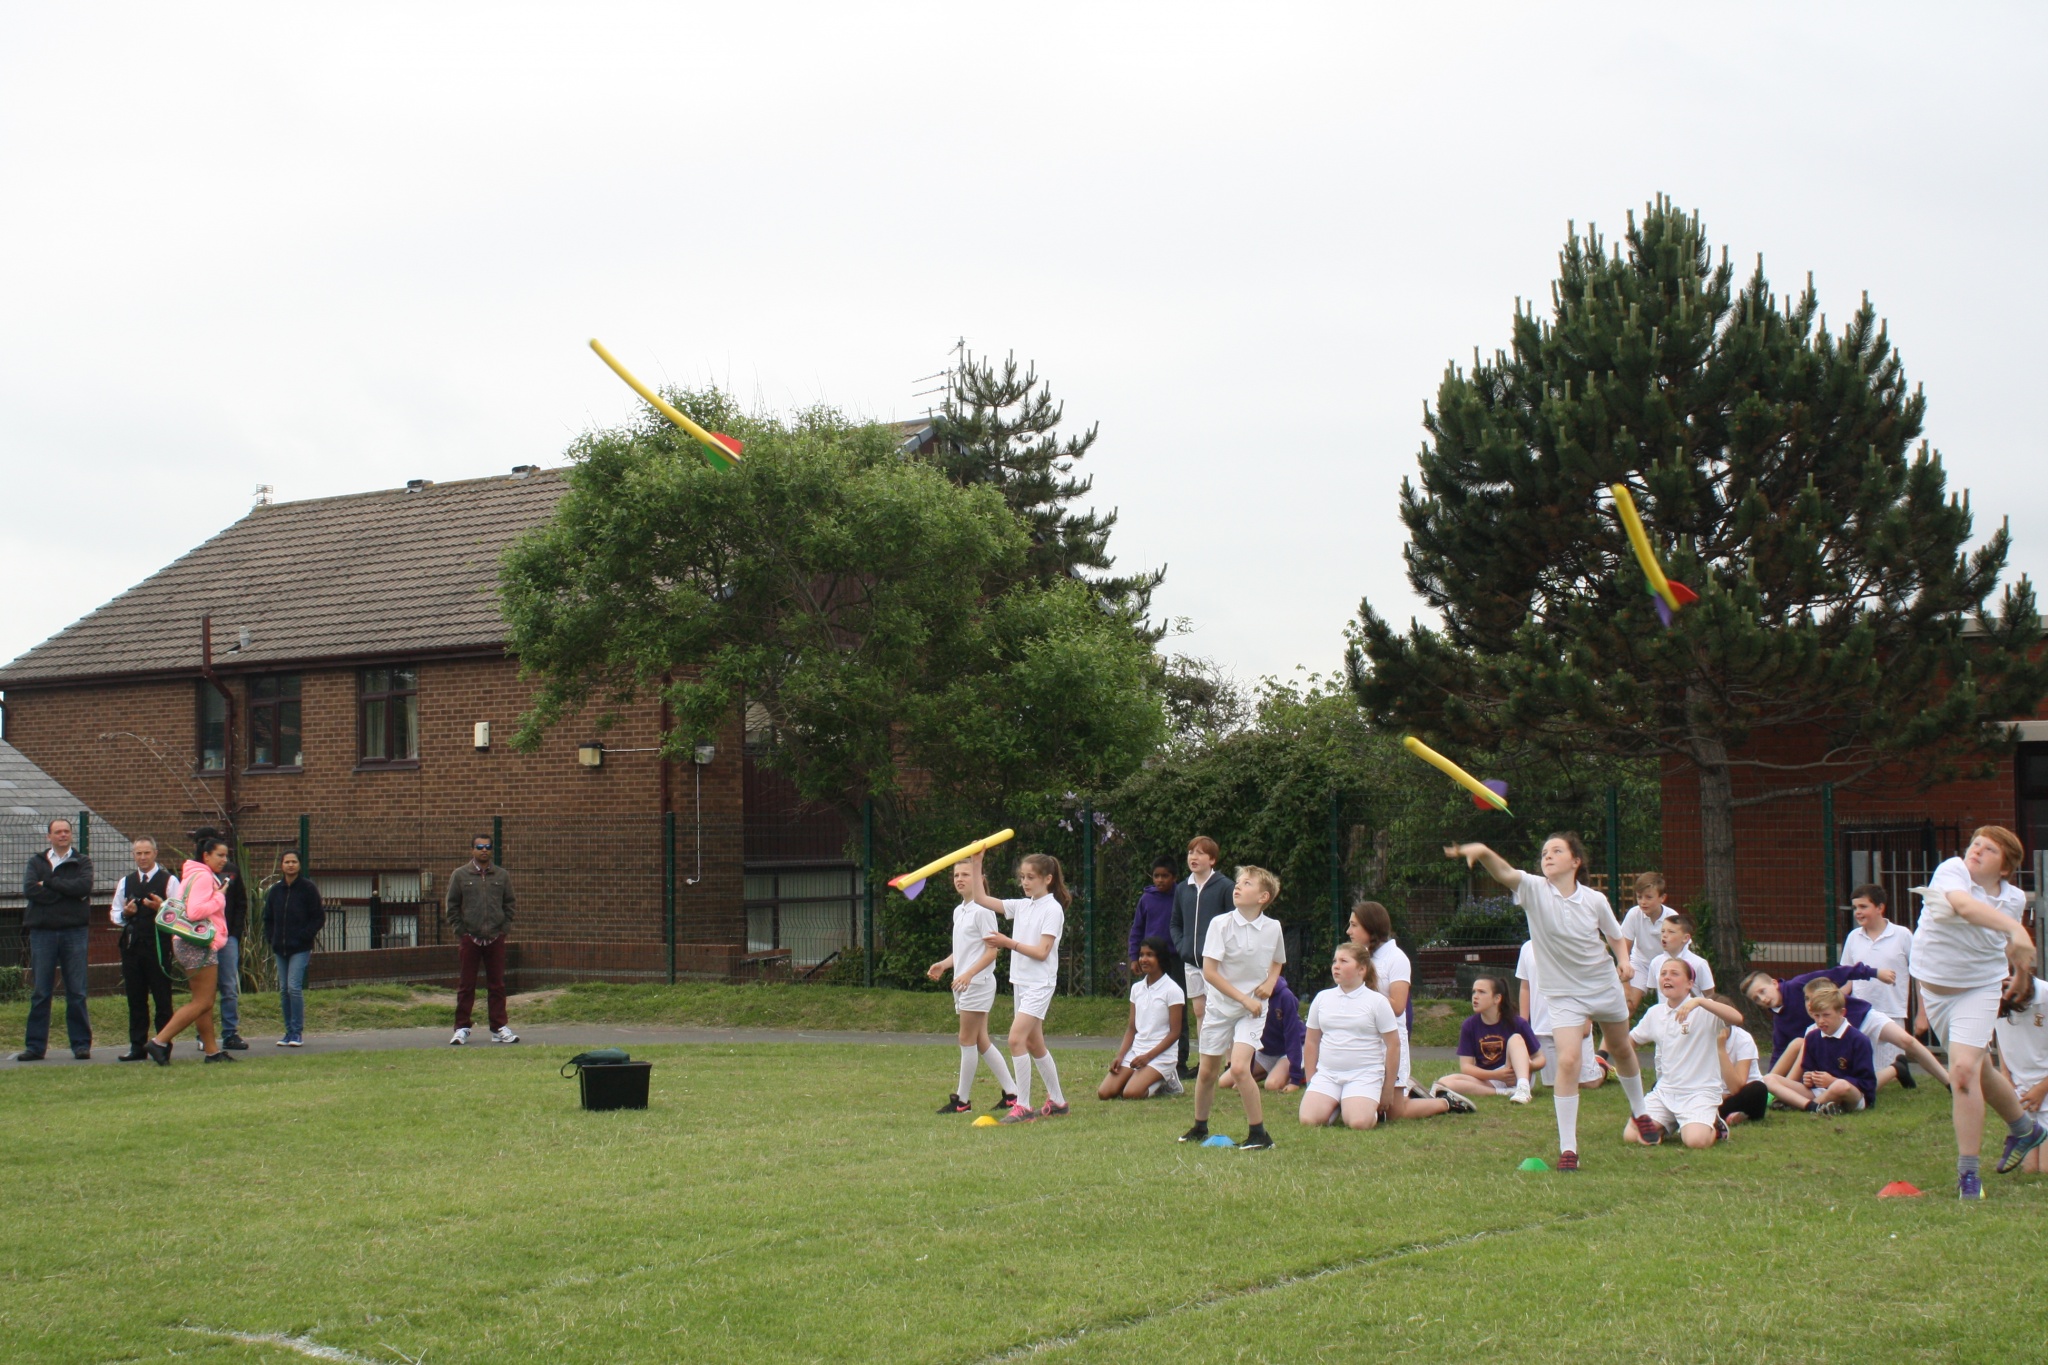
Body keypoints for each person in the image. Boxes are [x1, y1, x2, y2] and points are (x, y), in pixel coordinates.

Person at [1446, 835, 1658, 1171]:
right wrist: (1484, 851)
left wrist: (1623, 961)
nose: (1548, 856)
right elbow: (1504, 873)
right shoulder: (1533, 889)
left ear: (1576, 862)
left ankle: (1640, 1111)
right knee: (1569, 1061)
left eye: (1557, 851)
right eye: (1544, 852)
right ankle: (1568, 1149)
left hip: (1602, 984)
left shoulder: (1594, 899)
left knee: (1620, 1047)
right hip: (1563, 993)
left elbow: (1615, 936)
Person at [1909, 826, 2047, 1197]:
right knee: (1980, 1068)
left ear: (2005, 868)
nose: (1977, 851)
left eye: (1989, 850)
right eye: (1976, 845)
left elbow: (2007, 945)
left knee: (1964, 1072)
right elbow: (1965, 907)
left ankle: (1968, 1175)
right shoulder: (1951, 870)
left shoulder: (2013, 898)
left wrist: (2020, 971)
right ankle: (2025, 1129)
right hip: (1936, 990)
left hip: (1979, 988)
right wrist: (2017, 930)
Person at [1179, 865, 1287, 1150]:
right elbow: (1210, 973)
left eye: (1247, 883)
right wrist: (1244, 998)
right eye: (1238, 882)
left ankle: (1259, 1135)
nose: (1238, 886)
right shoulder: (1220, 924)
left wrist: (1270, 982)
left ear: (1263, 897)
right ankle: (1200, 1127)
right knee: (1207, 1072)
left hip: (1252, 1011)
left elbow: (1277, 960)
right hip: (1220, 1007)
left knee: (1240, 1068)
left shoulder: (1273, 928)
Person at [1740, 962, 1948, 1091]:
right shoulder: (1780, 1021)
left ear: (1774, 983)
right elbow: (1780, 1053)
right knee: (1852, 1084)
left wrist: (1875, 972)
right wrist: (1773, 1082)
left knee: (1906, 1040)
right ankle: (1896, 1069)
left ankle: (1948, 1082)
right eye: (1756, 999)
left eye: (1762, 991)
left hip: (1859, 1017)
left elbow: (1839, 973)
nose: (1762, 998)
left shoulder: (1799, 984)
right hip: (1837, 1041)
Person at [974, 849, 1070, 1123]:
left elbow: (1042, 952)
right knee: (1033, 1042)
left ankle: (1024, 1106)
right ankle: (1059, 1102)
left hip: (1040, 984)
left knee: (1016, 1039)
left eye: (1031, 878)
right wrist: (977, 860)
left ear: (1048, 879)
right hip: (1022, 982)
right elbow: (981, 898)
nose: (1025, 882)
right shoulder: (1022, 905)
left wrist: (1008, 943)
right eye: (1022, 878)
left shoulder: (1052, 910)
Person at [1623, 958, 1745, 1148]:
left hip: (1699, 1093)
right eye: (1663, 973)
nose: (1667, 978)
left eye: (1674, 973)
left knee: (1695, 1142)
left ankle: (1714, 1123)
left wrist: (1700, 1001)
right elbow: (1630, 1042)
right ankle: (1668, 1124)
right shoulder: (1655, 1013)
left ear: (1690, 984)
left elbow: (1737, 1018)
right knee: (1631, 1136)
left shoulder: (1704, 1010)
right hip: (1665, 1091)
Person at [929, 860, 1017, 1113]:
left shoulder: (983, 910)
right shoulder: (960, 911)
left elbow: (992, 952)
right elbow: (963, 951)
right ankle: (1012, 1093)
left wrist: (968, 974)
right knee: (980, 1041)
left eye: (966, 874)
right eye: (956, 874)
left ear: (978, 878)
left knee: (966, 1039)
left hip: (977, 984)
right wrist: (944, 965)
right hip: (964, 983)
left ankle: (962, 1101)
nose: (960, 878)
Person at [145, 835, 234, 1065]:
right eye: (220, 855)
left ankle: (212, 1052)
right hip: (198, 942)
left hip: (184, 940)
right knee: (203, 1002)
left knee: (201, 1000)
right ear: (206, 855)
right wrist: (220, 897)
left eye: (226, 855)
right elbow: (195, 912)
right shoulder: (204, 877)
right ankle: (159, 1041)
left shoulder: (192, 874)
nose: (224, 860)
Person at [1298, 943, 1403, 1129]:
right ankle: (1336, 1102)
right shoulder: (1322, 998)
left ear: (1361, 969)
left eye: (1343, 961)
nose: (1335, 966)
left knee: (1358, 1123)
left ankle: (1353, 1105)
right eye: (1334, 961)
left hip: (1364, 1075)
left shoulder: (1377, 1002)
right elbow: (1311, 1041)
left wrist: (1387, 1089)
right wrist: (1311, 1079)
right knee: (1308, 1120)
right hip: (1328, 1074)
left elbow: (1393, 1045)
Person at [19, 816, 96, 1061]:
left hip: (74, 932)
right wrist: (65, 894)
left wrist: (50, 883)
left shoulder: (82, 861)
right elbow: (31, 890)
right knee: (41, 991)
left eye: (66, 831)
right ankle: (35, 1047)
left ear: (71, 835)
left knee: (77, 990)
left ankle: (81, 1045)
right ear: (49, 836)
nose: (63, 835)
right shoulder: (36, 862)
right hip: (43, 933)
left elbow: (83, 888)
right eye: (57, 832)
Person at [1761, 981, 1875, 1117]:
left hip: (1850, 1094)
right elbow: (1808, 1069)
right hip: (1818, 1091)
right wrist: (1809, 1078)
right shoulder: (1812, 1037)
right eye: (1816, 1016)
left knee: (1840, 1086)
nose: (1821, 1021)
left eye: (1826, 1015)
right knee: (1769, 1079)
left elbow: (1867, 1083)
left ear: (1841, 1013)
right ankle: (1814, 1107)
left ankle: (1801, 1105)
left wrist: (1832, 1081)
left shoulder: (1858, 1040)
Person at [445, 834, 518, 1045]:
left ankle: (499, 1028)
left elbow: (509, 904)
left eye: (487, 847)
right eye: (479, 847)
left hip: (495, 938)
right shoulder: (460, 875)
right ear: (472, 850)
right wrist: (462, 933)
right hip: (471, 939)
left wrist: (503, 930)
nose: (483, 850)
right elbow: (452, 906)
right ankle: (462, 1028)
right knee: (466, 985)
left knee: (497, 985)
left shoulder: (501, 876)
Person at [111, 837, 179, 1062]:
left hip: (158, 947)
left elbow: (179, 912)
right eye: (138, 854)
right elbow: (115, 913)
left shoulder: (169, 881)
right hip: (132, 948)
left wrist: (161, 908)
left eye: (146, 853)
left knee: (162, 998)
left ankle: (163, 1045)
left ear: (155, 853)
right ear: (133, 855)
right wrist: (126, 914)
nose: (142, 857)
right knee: (136, 999)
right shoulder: (126, 882)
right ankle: (137, 1046)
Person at [1170, 836, 1232, 1080]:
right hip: (1191, 962)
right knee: (1200, 1011)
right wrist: (1182, 946)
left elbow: (1232, 923)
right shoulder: (1182, 888)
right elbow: (1175, 922)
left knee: (1223, 1010)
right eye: (1190, 853)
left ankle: (1230, 1063)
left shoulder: (1225, 886)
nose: (1193, 857)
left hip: (1217, 965)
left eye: (1200, 853)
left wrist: (1221, 952)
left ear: (1212, 859)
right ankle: (1208, 1062)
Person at [1840, 882, 1913, 1083]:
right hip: (1860, 1012)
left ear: (1880, 907)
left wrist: (1923, 1015)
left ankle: (1897, 1071)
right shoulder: (1853, 937)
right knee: (1863, 1067)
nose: (1858, 912)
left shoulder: (1902, 935)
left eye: (1863, 907)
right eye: (1855, 908)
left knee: (1889, 1065)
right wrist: (1837, 999)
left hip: (1892, 1010)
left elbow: (1919, 975)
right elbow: (1848, 977)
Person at [1433, 974, 1544, 1104]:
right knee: (1443, 1083)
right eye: (1474, 991)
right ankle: (1504, 1092)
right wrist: (1496, 1075)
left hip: (1515, 1075)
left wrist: (1528, 1065)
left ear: (1497, 998)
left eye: (1482, 992)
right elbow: (1466, 1067)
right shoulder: (1469, 1025)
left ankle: (1523, 1089)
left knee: (1516, 1039)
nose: (1475, 996)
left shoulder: (1517, 1023)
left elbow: (1540, 1059)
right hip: (1489, 1079)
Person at [1098, 937, 1186, 1100]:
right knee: (1105, 1093)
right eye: (1141, 955)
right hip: (1137, 1051)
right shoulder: (1136, 989)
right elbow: (1132, 1028)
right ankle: (1134, 1079)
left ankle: (1166, 1082)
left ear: (1160, 958)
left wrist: (1148, 1057)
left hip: (1161, 1055)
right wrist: (1120, 1056)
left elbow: (1175, 1033)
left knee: (1132, 1094)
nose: (1144, 959)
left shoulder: (1173, 990)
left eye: (1150, 955)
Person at [1517, 938, 1608, 1090]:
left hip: (1575, 1022)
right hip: (1543, 1029)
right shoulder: (1527, 947)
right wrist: (1523, 1025)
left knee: (1588, 1083)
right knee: (1554, 1084)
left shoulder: (1574, 942)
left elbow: (1589, 982)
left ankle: (1602, 1065)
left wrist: (1587, 1018)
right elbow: (1525, 987)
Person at [1346, 902, 1416, 1096]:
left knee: (1394, 1113)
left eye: (1354, 925)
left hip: (1389, 1043)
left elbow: (1398, 1007)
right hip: (1363, 1040)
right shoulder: (1359, 957)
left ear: (1371, 927)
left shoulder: (1396, 958)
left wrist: (1361, 992)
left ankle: (1443, 1102)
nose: (1348, 931)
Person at [191, 827, 249, 1050]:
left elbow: (241, 902)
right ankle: (203, 1034)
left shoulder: (231, 871)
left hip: (226, 938)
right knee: (203, 991)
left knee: (229, 985)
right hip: (201, 938)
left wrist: (234, 933)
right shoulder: (195, 873)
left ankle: (230, 1032)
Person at [1129, 857, 1187, 1074]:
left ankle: (1179, 1062)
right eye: (1156, 876)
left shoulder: (1181, 897)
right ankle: (1142, 1053)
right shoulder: (1146, 899)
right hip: (1151, 959)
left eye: (1165, 876)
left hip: (1176, 958)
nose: (1160, 880)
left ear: (1174, 878)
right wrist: (1135, 956)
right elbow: (1137, 928)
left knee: (1177, 1008)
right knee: (1149, 1007)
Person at [263, 851, 324, 1048]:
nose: (290, 865)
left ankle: (297, 1032)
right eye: (286, 862)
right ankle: (288, 1031)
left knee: (293, 987)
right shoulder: (275, 891)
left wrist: (304, 935)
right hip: (280, 948)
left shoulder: (308, 889)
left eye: (294, 862)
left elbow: (318, 917)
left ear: (299, 864)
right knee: (283, 990)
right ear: (281, 865)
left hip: (300, 947)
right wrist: (271, 938)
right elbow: (268, 918)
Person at [1993, 974, 2048, 1174]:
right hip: (2022, 1091)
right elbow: (2002, 1035)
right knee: (2030, 1170)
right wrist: (2005, 1075)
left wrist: (2042, 1089)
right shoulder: (1991, 996)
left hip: (2044, 1086)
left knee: (2045, 1169)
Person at [1220, 974, 1304, 1092]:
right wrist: (1246, 1076)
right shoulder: (1249, 995)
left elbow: (1293, 1038)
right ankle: (1269, 1071)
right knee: (1224, 1082)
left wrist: (1295, 1080)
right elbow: (1250, 1035)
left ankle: (1301, 1072)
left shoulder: (1285, 996)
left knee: (1271, 1085)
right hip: (1267, 1052)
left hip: (1290, 1050)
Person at [1617, 871, 1677, 1013]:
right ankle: (1615, 1036)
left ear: (1662, 898)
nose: (1643, 902)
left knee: (1669, 1009)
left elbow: (1679, 952)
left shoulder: (1672, 917)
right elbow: (1623, 951)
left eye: (1649, 897)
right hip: (1641, 964)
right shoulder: (1634, 914)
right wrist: (1625, 985)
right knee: (1627, 1007)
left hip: (1666, 966)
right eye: (1639, 897)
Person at [1712, 993, 1770, 1127]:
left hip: (1740, 1095)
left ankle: (1716, 1115)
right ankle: (1721, 1115)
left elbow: (1736, 1088)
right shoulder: (1697, 1039)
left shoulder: (1743, 1039)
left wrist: (1721, 1050)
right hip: (1714, 1097)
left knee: (1758, 1090)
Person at [1644, 913, 1715, 997]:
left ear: (1685, 938)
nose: (1664, 935)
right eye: (1663, 931)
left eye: (1671, 932)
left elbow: (1710, 995)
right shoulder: (1656, 962)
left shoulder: (1699, 964)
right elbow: (1655, 991)